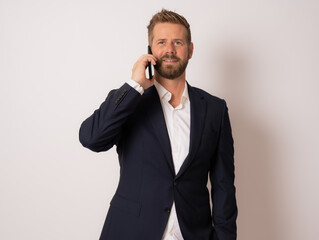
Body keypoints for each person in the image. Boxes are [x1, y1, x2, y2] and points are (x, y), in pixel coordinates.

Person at [79, 9, 237, 240]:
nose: (170, 49)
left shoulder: (215, 109)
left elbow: (224, 185)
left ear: (190, 50)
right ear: (150, 50)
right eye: (161, 42)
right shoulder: (130, 101)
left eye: (178, 42)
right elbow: (91, 139)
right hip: (131, 232)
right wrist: (134, 85)